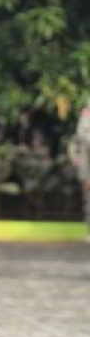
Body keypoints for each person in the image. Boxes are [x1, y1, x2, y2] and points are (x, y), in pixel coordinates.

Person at [76, 103, 90, 242]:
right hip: (88, 170)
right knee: (89, 202)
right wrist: (86, 177)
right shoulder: (86, 113)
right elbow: (82, 135)